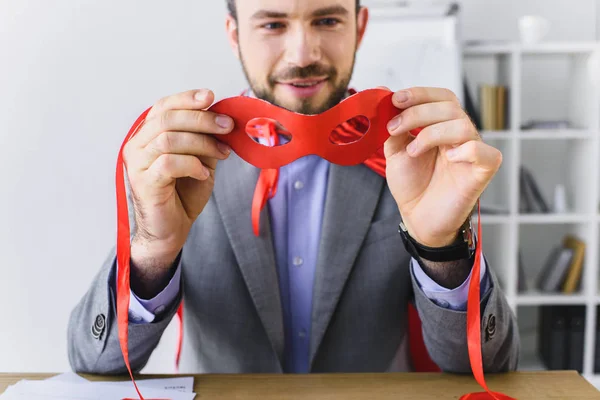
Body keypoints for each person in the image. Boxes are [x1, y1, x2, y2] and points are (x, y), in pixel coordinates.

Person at [68, 0, 520, 375]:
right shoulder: (182, 166)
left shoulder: (413, 159)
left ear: (359, 27)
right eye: (272, 23)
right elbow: (95, 362)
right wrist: (152, 249)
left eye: (327, 20)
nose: (303, 53)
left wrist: (441, 249)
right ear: (234, 34)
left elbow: (493, 367)